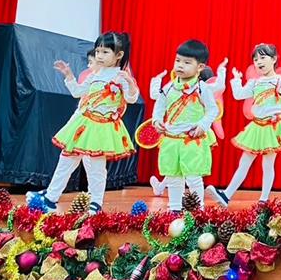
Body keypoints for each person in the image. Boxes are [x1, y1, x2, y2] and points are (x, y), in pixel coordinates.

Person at [27, 31, 138, 214]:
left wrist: (131, 85)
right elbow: (77, 92)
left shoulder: (121, 77)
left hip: (102, 128)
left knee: (95, 167)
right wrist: (69, 75)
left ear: (119, 55)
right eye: (98, 51)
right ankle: (51, 198)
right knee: (66, 160)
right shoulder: (94, 75)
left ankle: (96, 203)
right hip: (83, 125)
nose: (99, 56)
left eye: (105, 52)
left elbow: (131, 99)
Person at [206, 44, 281, 206]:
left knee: (267, 164)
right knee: (244, 162)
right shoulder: (254, 83)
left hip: (273, 127)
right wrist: (236, 79)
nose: (258, 61)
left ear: (273, 59)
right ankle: (226, 195)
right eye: (255, 59)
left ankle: (263, 199)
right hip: (257, 127)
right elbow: (239, 95)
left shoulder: (280, 80)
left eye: (262, 57)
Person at [150, 41, 226, 212]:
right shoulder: (168, 87)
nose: (180, 65)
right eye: (178, 61)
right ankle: (174, 209)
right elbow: (159, 106)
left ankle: (198, 211)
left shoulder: (202, 88)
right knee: (173, 176)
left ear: (200, 67)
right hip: (171, 140)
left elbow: (213, 110)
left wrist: (203, 125)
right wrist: (156, 120)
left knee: (193, 177)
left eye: (186, 62)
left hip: (192, 141)